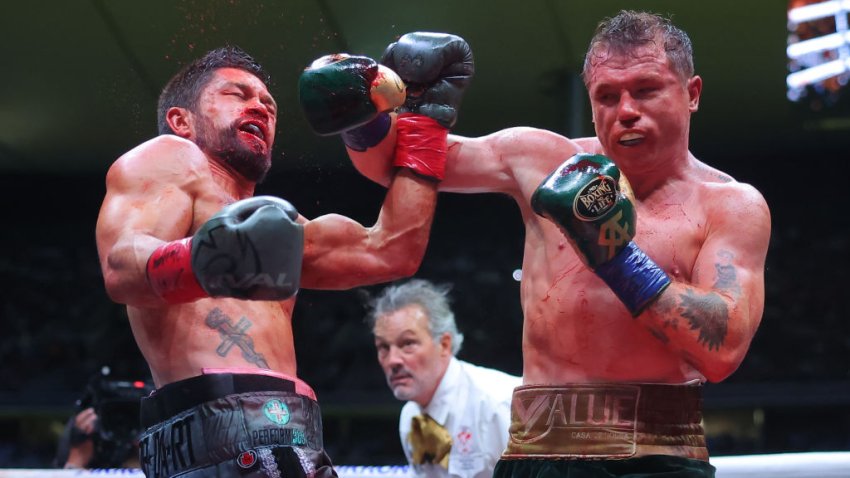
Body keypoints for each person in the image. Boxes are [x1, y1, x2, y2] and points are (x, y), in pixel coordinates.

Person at [340, 13, 770, 477]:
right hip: (535, 456)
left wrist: (616, 256)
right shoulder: (540, 160)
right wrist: (368, 109)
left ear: (692, 94)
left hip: (656, 459)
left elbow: (722, 351)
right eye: (607, 96)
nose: (625, 110)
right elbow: (392, 164)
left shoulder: (731, 206)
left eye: (645, 90)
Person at [96, 43, 472, 477]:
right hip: (221, 427)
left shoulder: (277, 228)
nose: (259, 106)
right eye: (237, 95)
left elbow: (392, 250)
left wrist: (426, 122)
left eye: (269, 105)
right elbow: (121, 266)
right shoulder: (170, 158)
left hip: (284, 433)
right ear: (182, 120)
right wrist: (205, 259)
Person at [367, 279, 521, 478]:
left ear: (445, 344)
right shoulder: (410, 418)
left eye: (407, 343)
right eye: (383, 347)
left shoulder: (499, 403)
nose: (393, 360)